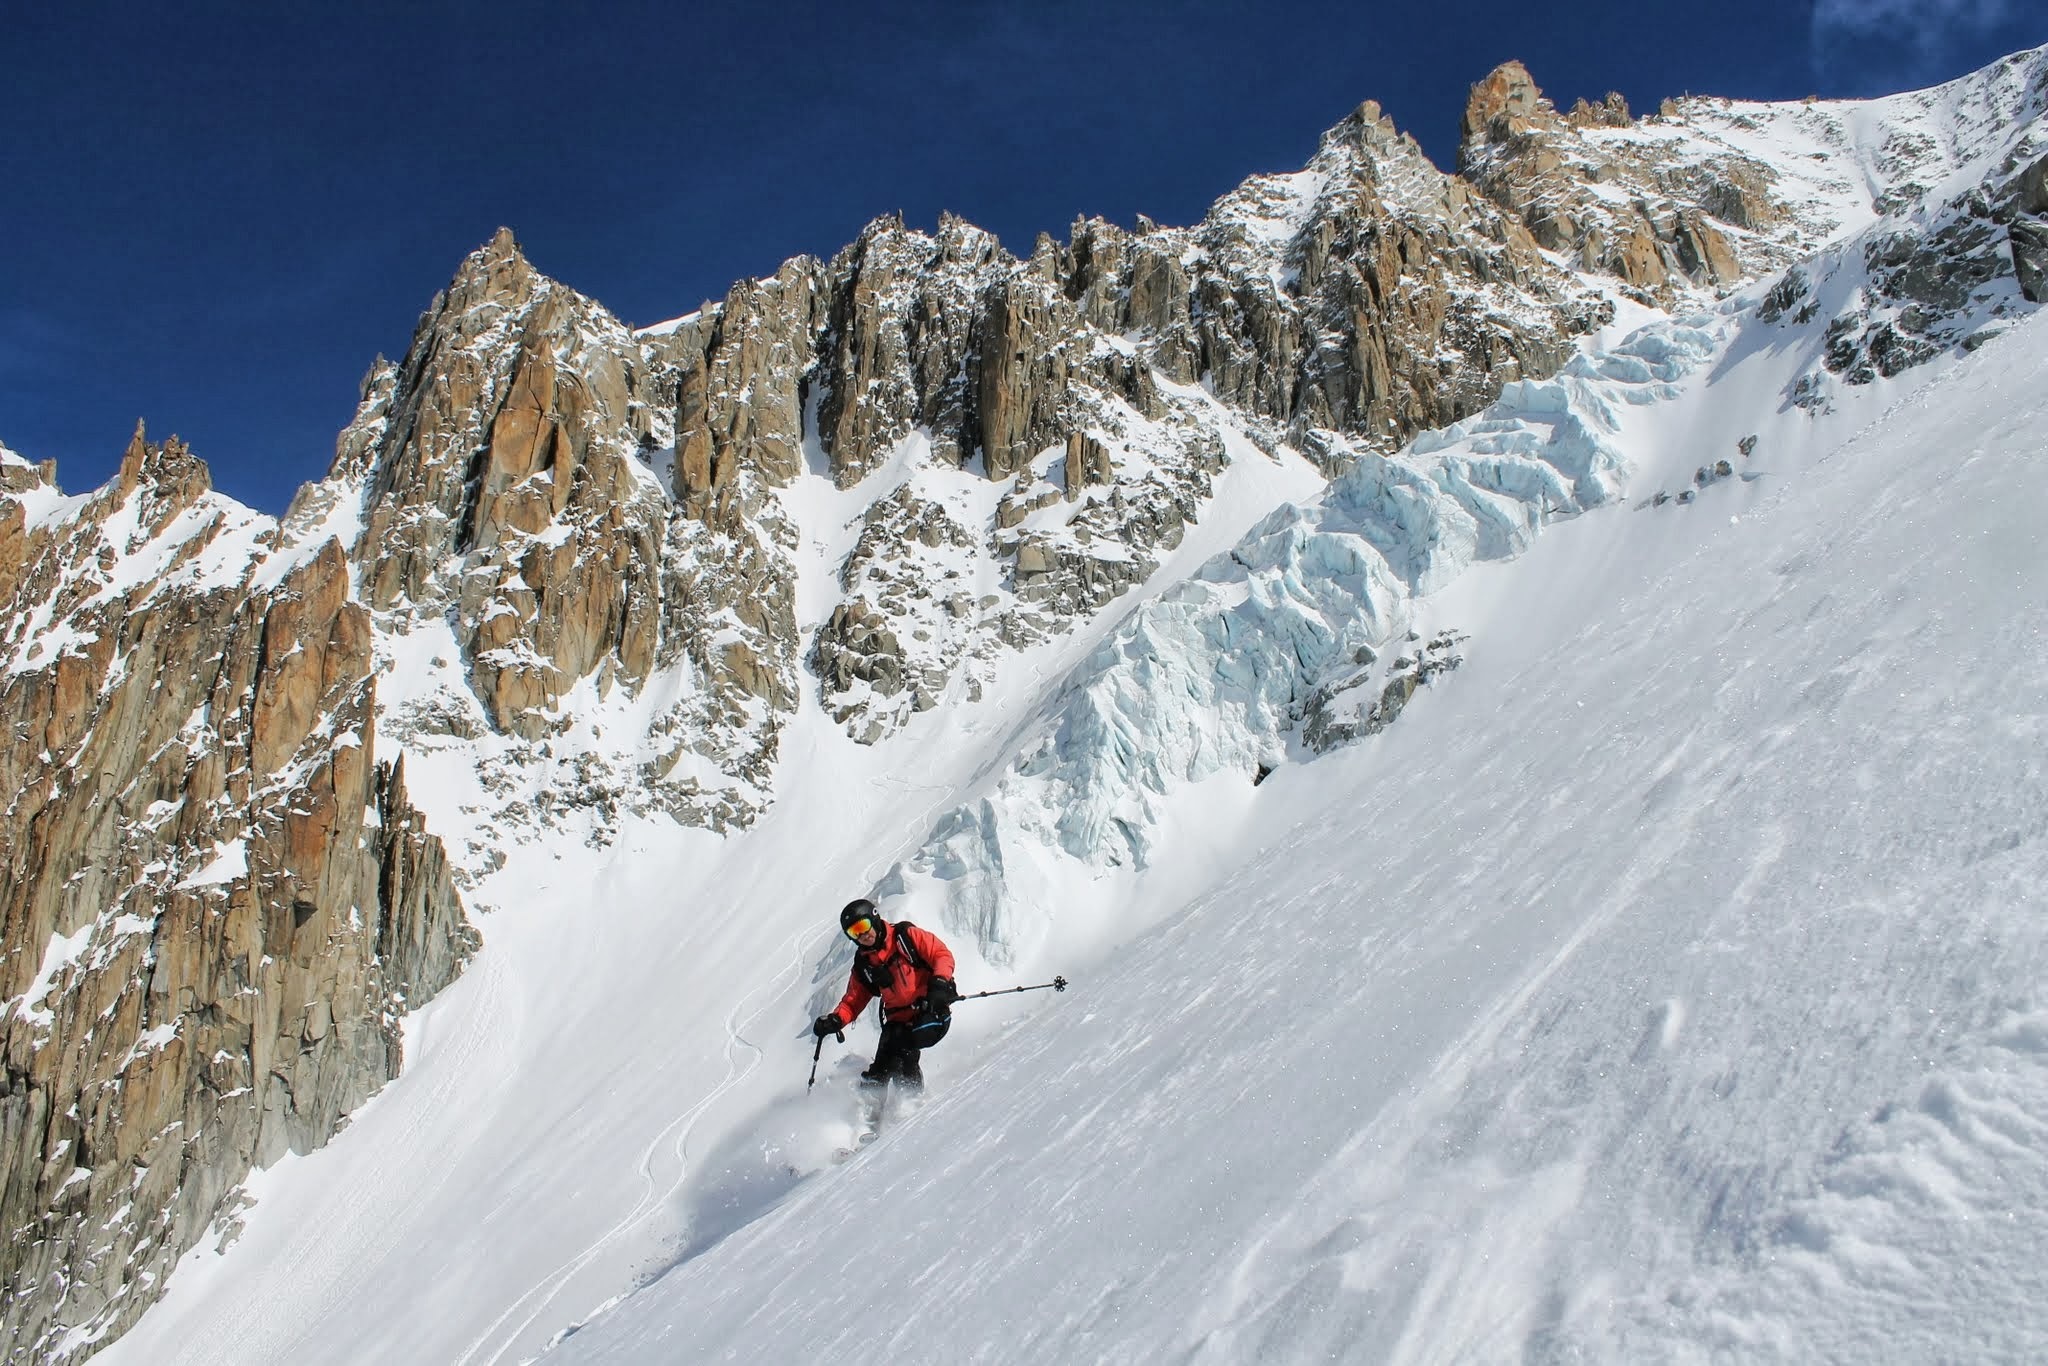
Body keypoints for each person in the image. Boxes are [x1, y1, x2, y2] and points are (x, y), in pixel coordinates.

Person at [813, 899, 958, 1089]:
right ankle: (872, 1100)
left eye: (863, 926)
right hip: (898, 1021)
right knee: (887, 1053)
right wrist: (836, 1020)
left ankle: (910, 1100)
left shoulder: (905, 937)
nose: (863, 935)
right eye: (854, 932)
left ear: (874, 919)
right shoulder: (864, 964)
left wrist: (939, 984)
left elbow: (941, 954)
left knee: (903, 1048)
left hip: (931, 1010)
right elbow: (853, 1000)